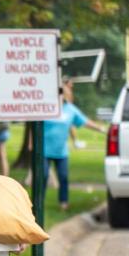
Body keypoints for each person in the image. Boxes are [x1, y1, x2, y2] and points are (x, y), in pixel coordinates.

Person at [43, 78, 106, 211]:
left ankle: (63, 202)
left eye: (62, 93)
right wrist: (31, 143)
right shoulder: (45, 108)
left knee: (63, 177)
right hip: (44, 150)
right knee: (42, 176)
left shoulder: (70, 110)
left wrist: (101, 129)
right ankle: (37, 203)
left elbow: (85, 122)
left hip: (61, 151)